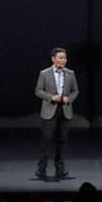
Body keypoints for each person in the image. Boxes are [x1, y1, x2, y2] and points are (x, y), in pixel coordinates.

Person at [34, 47, 79, 181]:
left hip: (65, 110)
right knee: (46, 140)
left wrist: (68, 99)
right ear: (53, 59)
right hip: (49, 110)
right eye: (60, 58)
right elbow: (38, 91)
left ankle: (60, 170)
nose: (63, 60)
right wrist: (51, 97)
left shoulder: (70, 73)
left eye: (65, 58)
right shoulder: (44, 73)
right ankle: (41, 169)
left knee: (62, 141)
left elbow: (75, 90)